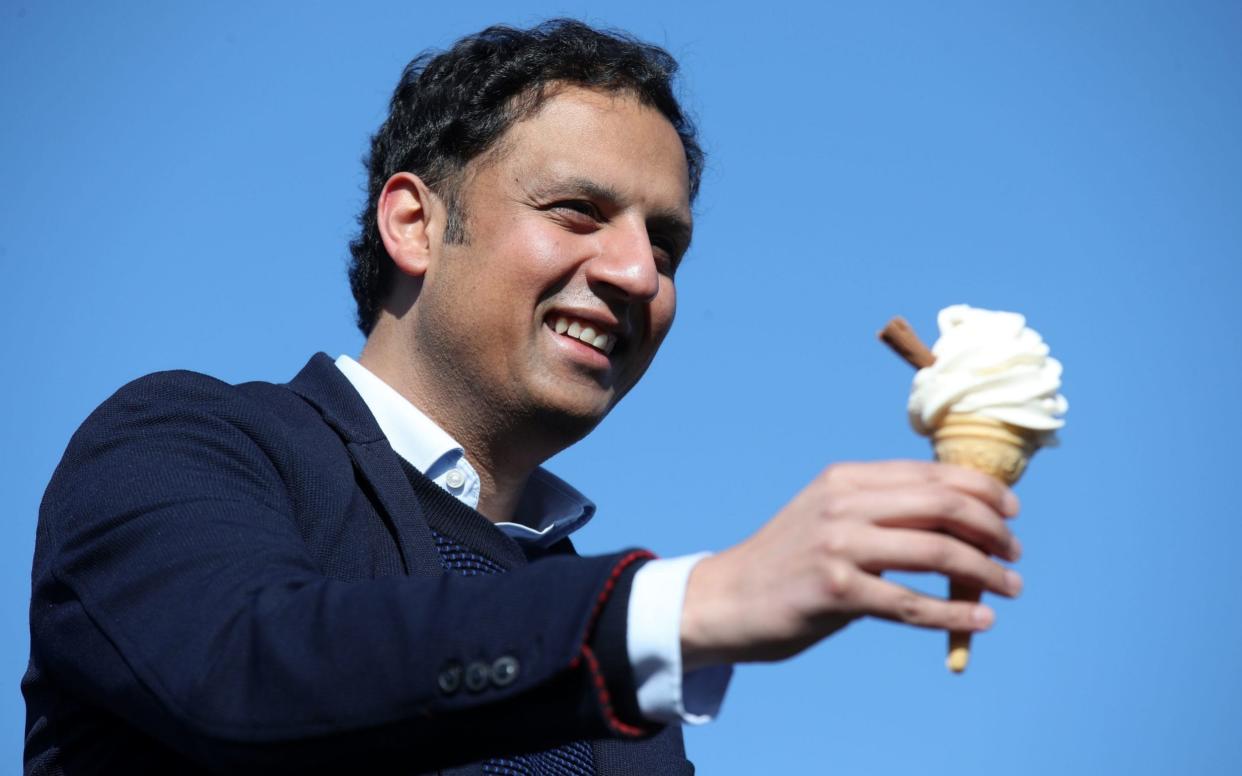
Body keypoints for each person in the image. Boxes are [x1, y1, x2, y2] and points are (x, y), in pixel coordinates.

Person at [24, 19, 1023, 776]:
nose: (639, 272)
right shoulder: (186, 443)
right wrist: (685, 606)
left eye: (666, 244)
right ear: (415, 223)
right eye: (578, 211)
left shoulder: (638, 704)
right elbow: (244, 667)